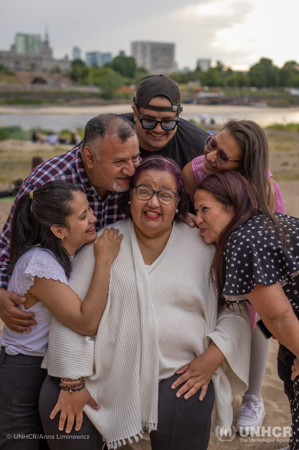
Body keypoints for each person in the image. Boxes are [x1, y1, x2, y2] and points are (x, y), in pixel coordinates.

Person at [40, 156, 251, 450]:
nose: (154, 203)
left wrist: (212, 357)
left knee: (188, 400)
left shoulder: (204, 246)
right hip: (100, 374)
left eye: (165, 195)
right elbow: (68, 318)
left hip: (178, 374)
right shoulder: (102, 243)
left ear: (179, 202)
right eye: (144, 192)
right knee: (54, 399)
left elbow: (237, 311)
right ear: (130, 196)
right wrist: (72, 382)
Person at [0, 180, 123, 450]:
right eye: (82, 216)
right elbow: (85, 322)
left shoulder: (62, 256)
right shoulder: (40, 263)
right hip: (25, 371)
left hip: (47, 366)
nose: (93, 218)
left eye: (90, 210)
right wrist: (103, 260)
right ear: (58, 230)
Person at [182, 119, 286, 432]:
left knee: (257, 310)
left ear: (245, 164)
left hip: (252, 240)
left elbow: (257, 240)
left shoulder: (262, 189)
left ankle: (254, 396)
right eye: (213, 143)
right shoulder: (194, 170)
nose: (212, 156)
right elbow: (198, 207)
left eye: (224, 157)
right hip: (213, 234)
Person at [0, 114, 139, 335]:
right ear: (90, 157)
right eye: (120, 162)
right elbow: (8, 246)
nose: (131, 170)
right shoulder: (48, 181)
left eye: (135, 158)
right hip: (49, 324)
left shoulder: (136, 179)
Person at [193, 170, 299, 450]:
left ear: (233, 206)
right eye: (195, 211)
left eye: (205, 210)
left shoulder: (240, 241)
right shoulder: (264, 223)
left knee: (293, 374)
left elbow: (278, 315)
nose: (197, 220)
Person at [121, 74, 207, 170]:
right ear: (136, 112)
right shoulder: (110, 135)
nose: (158, 129)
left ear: (178, 115)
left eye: (167, 121)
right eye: (149, 120)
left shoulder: (200, 146)